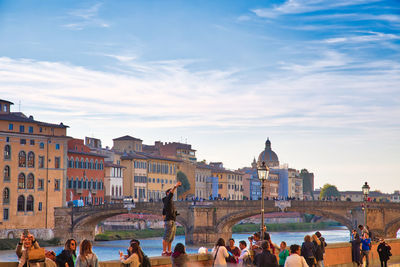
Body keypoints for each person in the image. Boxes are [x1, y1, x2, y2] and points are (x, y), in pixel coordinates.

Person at [162, 181, 182, 256]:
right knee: (166, 237)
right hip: (169, 221)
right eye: (170, 192)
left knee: (171, 238)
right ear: (168, 193)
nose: (172, 193)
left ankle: (169, 251)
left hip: (172, 221)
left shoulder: (169, 202)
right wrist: (175, 186)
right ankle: (164, 251)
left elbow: (163, 213)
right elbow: (171, 193)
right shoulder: (167, 199)